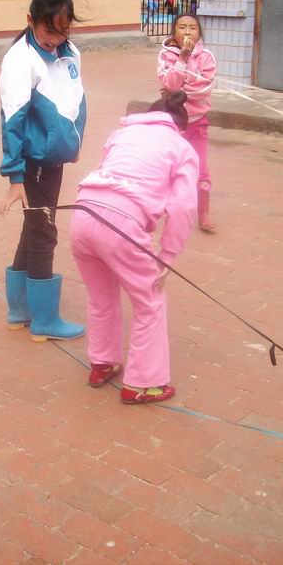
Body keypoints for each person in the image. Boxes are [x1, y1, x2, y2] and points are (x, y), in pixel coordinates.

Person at [70, 91, 198, 404]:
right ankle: (143, 383)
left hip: (82, 214)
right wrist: (167, 255)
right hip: (122, 223)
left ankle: (102, 363)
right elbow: (183, 206)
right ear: (179, 127)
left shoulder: (122, 133)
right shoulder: (181, 146)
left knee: (101, 297)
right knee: (150, 301)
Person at [0, 0, 86, 342]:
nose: (56, 38)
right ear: (30, 20)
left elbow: (72, 99)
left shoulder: (69, 51)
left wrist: (69, 143)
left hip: (53, 158)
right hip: (34, 161)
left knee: (34, 227)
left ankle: (20, 311)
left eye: (63, 30)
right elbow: (12, 120)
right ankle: (44, 320)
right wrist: (14, 177)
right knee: (44, 231)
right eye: (49, 30)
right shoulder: (19, 60)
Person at [158, 14, 217, 231]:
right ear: (174, 32)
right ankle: (169, 209)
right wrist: (182, 58)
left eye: (192, 28)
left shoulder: (206, 57)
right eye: (182, 27)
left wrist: (178, 93)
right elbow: (168, 83)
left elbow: (204, 88)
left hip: (198, 122)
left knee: (200, 168)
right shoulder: (165, 56)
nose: (187, 32)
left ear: (199, 33)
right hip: (173, 124)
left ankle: (203, 213)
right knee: (170, 168)